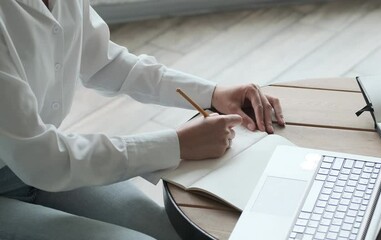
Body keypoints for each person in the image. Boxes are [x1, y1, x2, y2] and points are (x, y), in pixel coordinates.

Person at [0, 0, 285, 239]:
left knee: (178, 232)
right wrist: (177, 144)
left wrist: (212, 93)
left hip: (38, 164)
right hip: (38, 162)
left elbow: (106, 62)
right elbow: (42, 160)